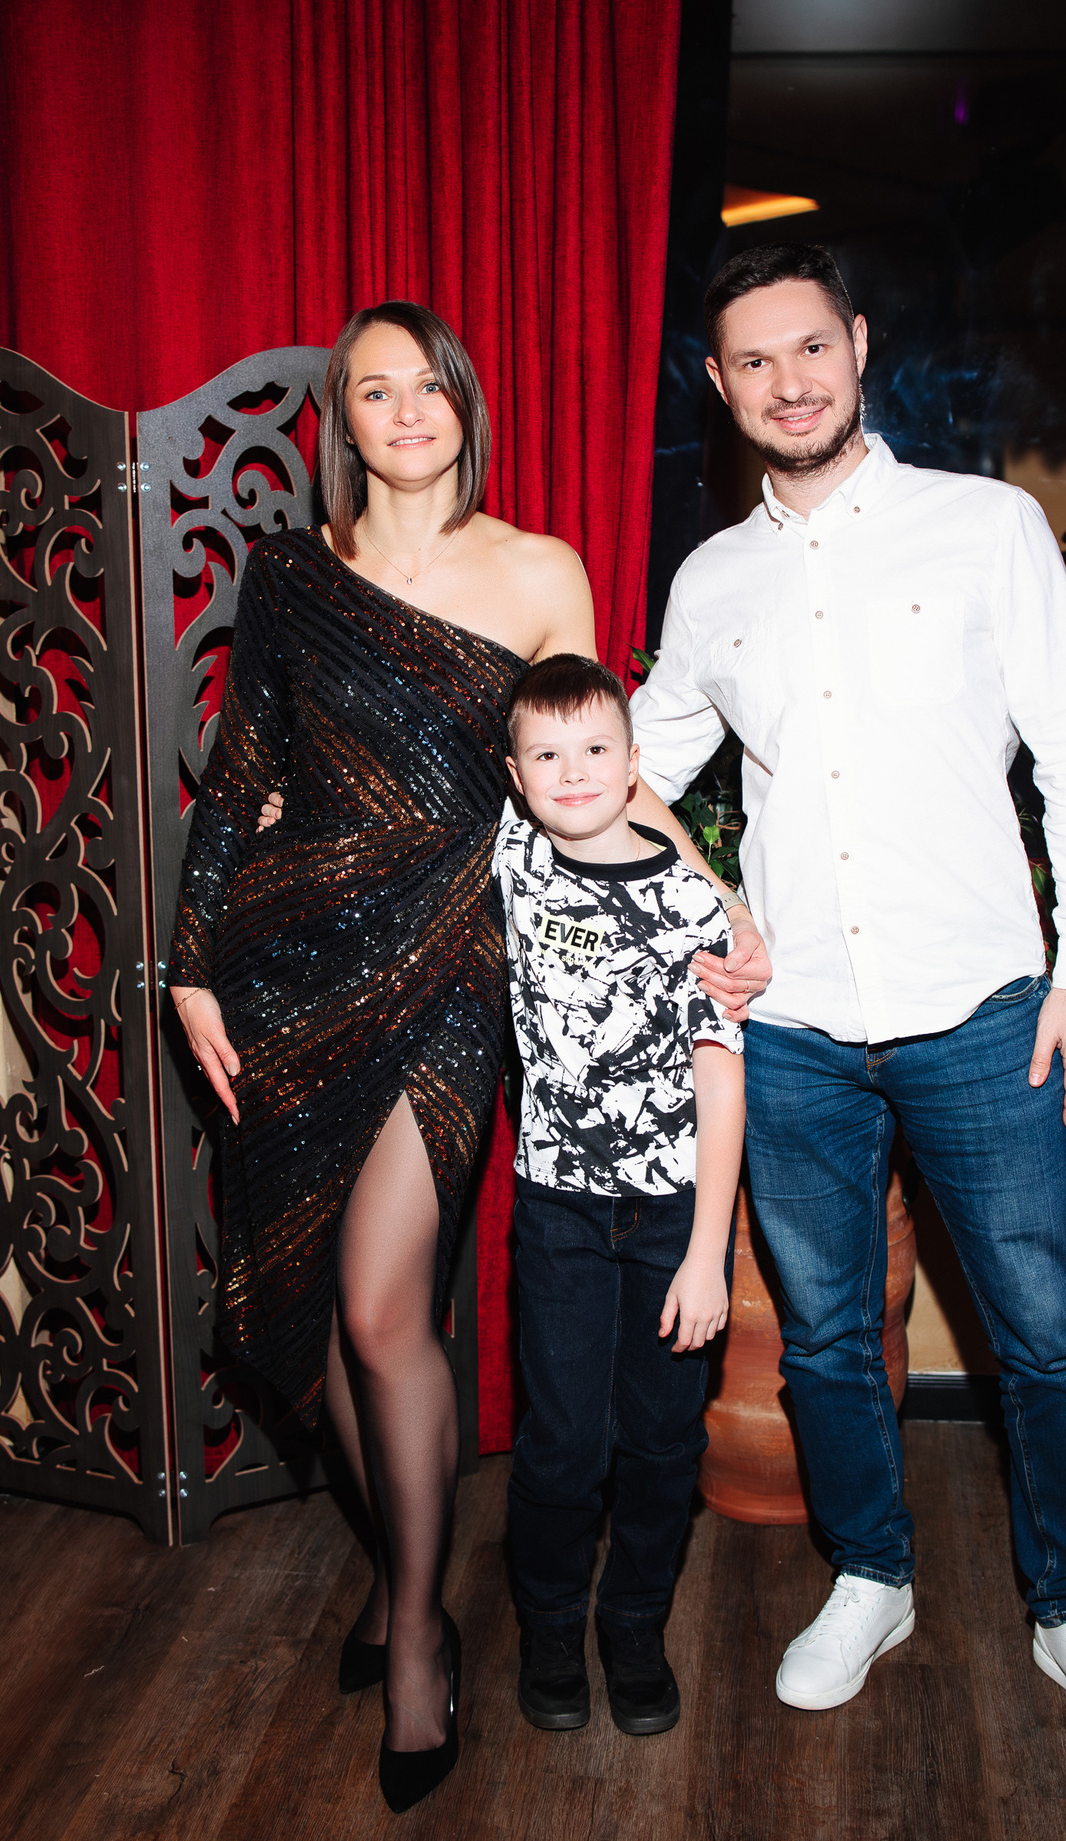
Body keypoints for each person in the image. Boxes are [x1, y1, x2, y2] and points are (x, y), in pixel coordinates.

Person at [169, 301, 766, 1813]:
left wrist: (713, 898)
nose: (406, 409)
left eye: (428, 384)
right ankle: (398, 1578)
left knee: (385, 1314)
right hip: (289, 967)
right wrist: (188, 966)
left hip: (449, 966)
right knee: (310, 1323)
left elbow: (602, 764)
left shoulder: (540, 569)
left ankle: (423, 1634)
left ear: (464, 404)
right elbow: (241, 775)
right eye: (375, 390)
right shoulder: (291, 575)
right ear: (344, 420)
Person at [629, 243, 1066, 1760]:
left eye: (811, 347)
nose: (788, 381)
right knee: (820, 1336)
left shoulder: (985, 526)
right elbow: (636, 774)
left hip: (985, 1009)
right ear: (720, 386)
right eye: (753, 361)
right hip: (793, 1025)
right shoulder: (713, 579)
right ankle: (871, 1575)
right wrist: (679, 897)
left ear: (860, 346)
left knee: (1042, 1335)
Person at [494, 654, 745, 1738]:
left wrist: (707, 1256)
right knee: (560, 1443)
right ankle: (550, 1626)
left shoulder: (692, 903)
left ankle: (633, 1623)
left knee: (661, 1440)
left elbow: (720, 1082)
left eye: (596, 749)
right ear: (515, 778)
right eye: (546, 756)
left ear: (635, 765)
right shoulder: (513, 854)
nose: (573, 772)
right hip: (555, 1210)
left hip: (671, 1219)